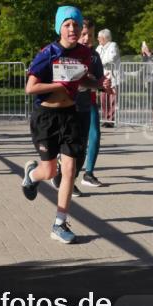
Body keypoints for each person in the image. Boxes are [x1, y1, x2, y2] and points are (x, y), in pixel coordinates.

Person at [21, 5, 103, 244]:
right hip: (46, 117)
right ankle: (32, 175)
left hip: (70, 114)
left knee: (68, 170)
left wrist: (98, 84)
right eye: (67, 25)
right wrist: (60, 85)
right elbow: (31, 88)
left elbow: (83, 78)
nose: (72, 29)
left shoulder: (84, 53)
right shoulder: (48, 53)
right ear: (59, 28)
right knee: (50, 171)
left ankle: (59, 223)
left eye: (76, 25)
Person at [54, 18, 106, 191]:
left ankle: (86, 174)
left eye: (90, 35)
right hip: (69, 104)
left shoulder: (94, 55)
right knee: (71, 143)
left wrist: (104, 85)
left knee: (92, 139)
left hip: (88, 104)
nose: (86, 38)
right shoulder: (68, 52)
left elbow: (100, 80)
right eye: (84, 34)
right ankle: (66, 178)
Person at [95, 29, 120, 127]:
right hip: (103, 75)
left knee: (112, 99)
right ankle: (105, 119)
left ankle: (111, 120)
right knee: (104, 98)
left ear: (105, 38)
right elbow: (95, 57)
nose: (98, 39)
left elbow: (112, 58)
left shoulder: (113, 45)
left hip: (112, 75)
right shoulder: (99, 47)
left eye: (99, 37)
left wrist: (100, 62)